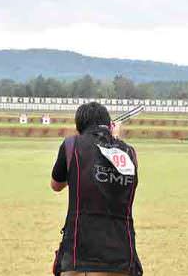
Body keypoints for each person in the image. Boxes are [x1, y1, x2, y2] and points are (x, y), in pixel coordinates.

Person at [51, 102, 143, 276]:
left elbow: (56, 185)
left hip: (78, 256)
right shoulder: (129, 153)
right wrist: (115, 141)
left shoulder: (71, 145)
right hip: (121, 256)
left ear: (79, 128)